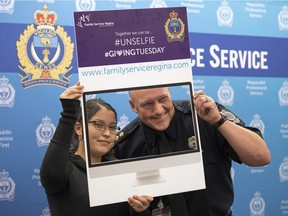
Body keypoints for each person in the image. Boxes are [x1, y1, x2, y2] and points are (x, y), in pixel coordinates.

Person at [114, 87, 271, 216]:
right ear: (133, 106)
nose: (158, 110)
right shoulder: (125, 144)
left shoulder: (203, 115)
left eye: (163, 99)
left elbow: (261, 157)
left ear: (169, 93)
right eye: (147, 104)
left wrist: (219, 121)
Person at [40, 82, 153, 216]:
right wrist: (69, 113)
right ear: (78, 128)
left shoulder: (121, 171)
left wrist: (140, 210)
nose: (107, 133)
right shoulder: (64, 170)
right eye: (99, 124)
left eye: (112, 127)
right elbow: (52, 173)